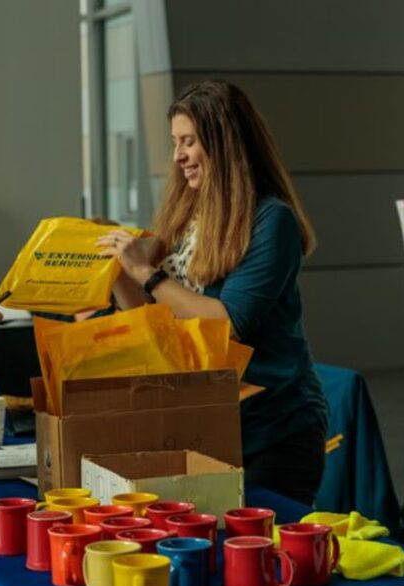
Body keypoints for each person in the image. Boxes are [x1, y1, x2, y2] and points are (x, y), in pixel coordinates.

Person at [97, 80, 327, 505]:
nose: (178, 156)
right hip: (206, 422)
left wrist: (146, 274)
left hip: (273, 431)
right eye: (175, 142)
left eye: (189, 141)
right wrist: (118, 278)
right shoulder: (186, 214)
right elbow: (155, 324)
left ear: (223, 145)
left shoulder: (271, 221)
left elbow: (227, 323)